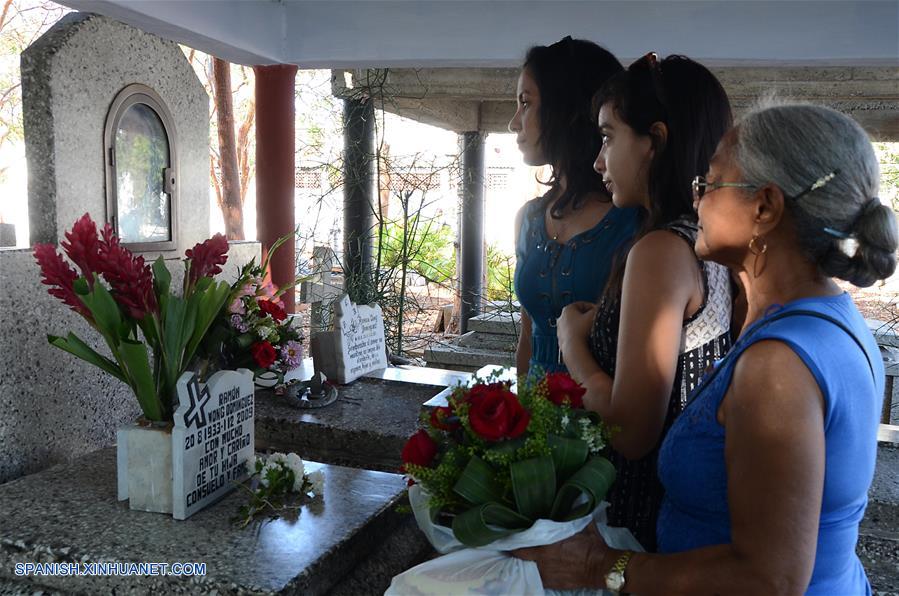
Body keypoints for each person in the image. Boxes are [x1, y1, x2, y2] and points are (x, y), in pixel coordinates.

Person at [516, 102, 897, 595]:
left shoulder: (778, 366)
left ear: (765, 207)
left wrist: (601, 566)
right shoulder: (833, 323)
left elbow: (768, 579)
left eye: (712, 183)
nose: (696, 198)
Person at [555, 53, 734, 550]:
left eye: (608, 136)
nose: (597, 160)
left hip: (638, 525)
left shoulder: (661, 251)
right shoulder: (705, 240)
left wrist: (571, 344)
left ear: (654, 141)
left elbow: (630, 430)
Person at [510, 36, 640, 377]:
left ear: (565, 109)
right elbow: (528, 339)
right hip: (537, 420)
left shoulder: (637, 221)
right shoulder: (528, 219)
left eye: (525, 103)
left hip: (607, 418)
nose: (514, 122)